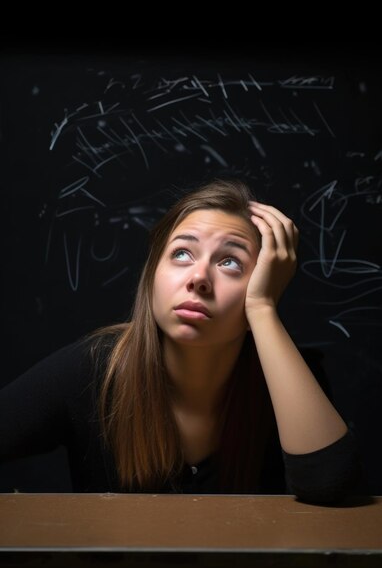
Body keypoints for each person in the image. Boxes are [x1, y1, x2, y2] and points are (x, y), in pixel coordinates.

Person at [0, 179, 360, 502]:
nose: (199, 277)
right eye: (182, 254)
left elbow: (330, 487)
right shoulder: (92, 369)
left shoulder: (289, 378)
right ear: (152, 277)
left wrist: (263, 308)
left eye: (230, 262)